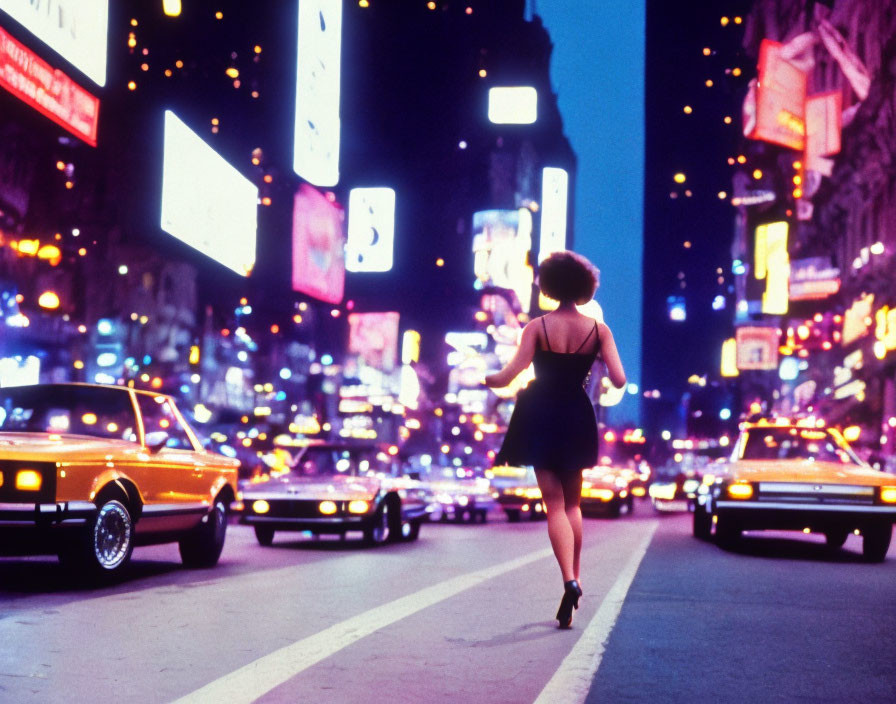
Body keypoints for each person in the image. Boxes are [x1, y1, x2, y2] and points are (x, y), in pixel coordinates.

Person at [484, 250, 626, 628]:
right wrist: (594, 367)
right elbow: (619, 379)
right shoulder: (599, 331)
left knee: (553, 504)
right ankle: (576, 576)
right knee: (573, 504)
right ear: (585, 288)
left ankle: (569, 579)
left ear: (549, 285)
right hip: (577, 413)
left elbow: (508, 375)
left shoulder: (537, 327)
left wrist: (488, 380)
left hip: (540, 411)